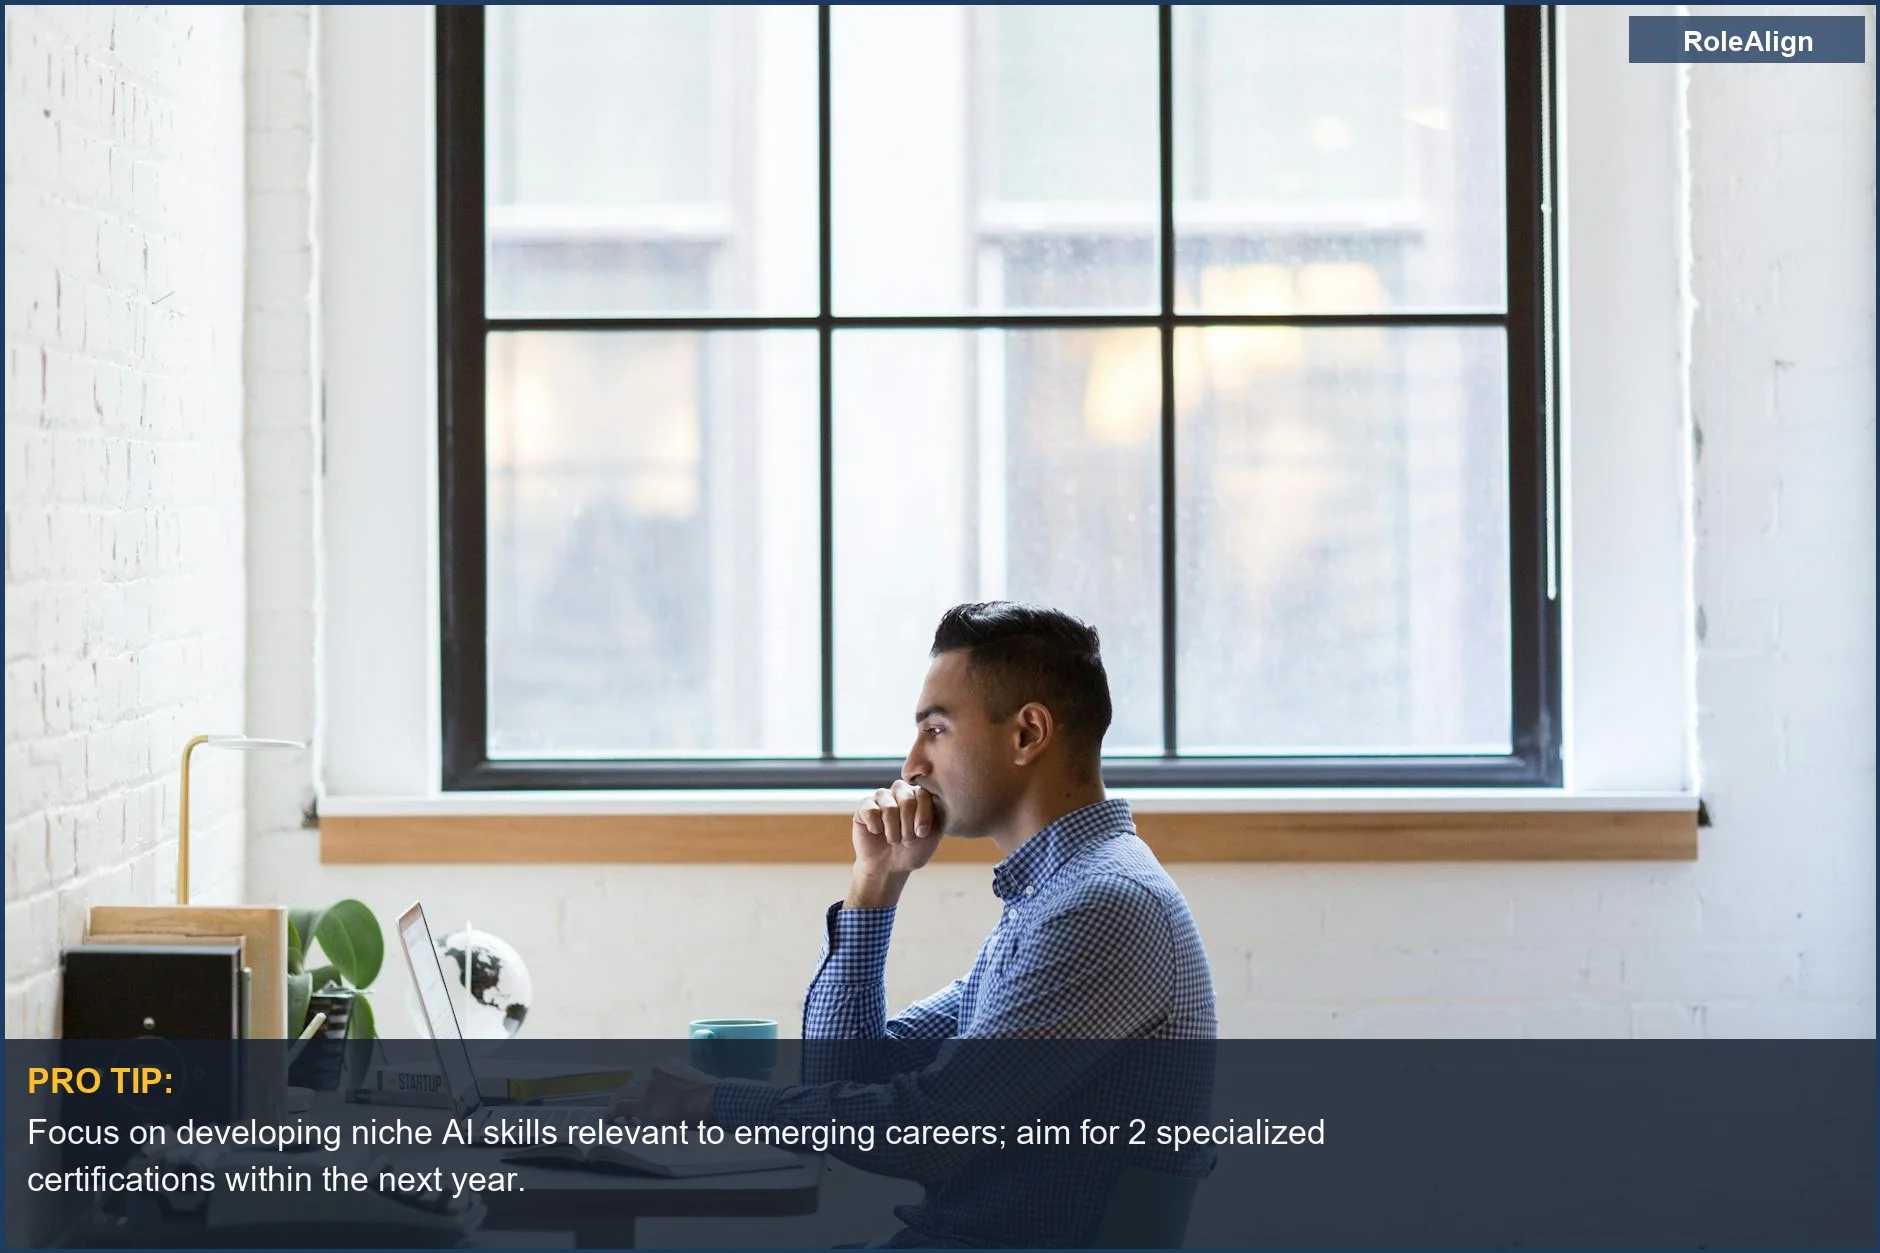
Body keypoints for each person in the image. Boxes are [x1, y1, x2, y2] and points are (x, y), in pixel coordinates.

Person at [618, 601, 1218, 1246]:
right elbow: (845, 1079)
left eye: (936, 729)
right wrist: (875, 884)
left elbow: (927, 1134)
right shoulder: (1051, 898)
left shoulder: (1102, 907)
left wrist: (705, 1102)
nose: (910, 766)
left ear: (1027, 734)